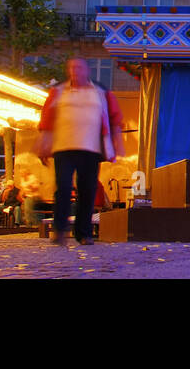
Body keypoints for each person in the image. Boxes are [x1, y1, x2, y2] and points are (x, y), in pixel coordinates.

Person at [35, 58, 124, 246]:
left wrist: (118, 143)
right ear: (68, 71)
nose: (75, 71)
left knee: (88, 190)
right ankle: (60, 229)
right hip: (63, 147)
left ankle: (83, 233)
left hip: (91, 148)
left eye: (79, 67)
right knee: (64, 188)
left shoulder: (101, 93)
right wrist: (43, 143)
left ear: (87, 71)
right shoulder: (58, 92)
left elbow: (115, 118)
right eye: (72, 67)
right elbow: (47, 119)